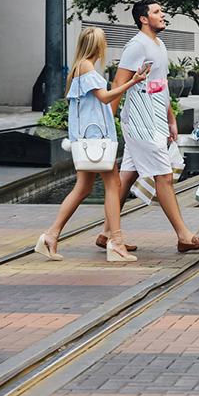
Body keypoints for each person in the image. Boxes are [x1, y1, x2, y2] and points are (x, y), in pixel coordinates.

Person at [97, 0, 199, 253]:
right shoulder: (136, 46)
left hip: (156, 118)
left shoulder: (159, 44)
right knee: (164, 176)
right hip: (139, 121)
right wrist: (107, 123)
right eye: (157, 11)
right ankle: (183, 235)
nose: (163, 14)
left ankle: (106, 233)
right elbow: (118, 84)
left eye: (162, 10)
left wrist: (170, 118)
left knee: (126, 177)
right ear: (143, 19)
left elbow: (161, 84)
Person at [35, 27, 147, 262]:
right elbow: (104, 97)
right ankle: (115, 242)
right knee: (113, 185)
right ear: (98, 46)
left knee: (84, 187)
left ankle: (50, 236)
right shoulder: (86, 67)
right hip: (96, 140)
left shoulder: (80, 67)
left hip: (87, 140)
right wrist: (132, 82)